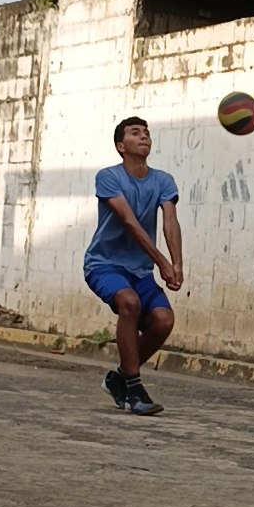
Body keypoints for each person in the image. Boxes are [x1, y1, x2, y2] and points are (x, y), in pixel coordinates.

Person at [84, 116, 184, 417]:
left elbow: (170, 221)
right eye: (135, 133)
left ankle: (118, 378)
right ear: (121, 146)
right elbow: (128, 222)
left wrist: (177, 262)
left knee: (163, 320)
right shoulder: (108, 177)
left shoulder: (163, 180)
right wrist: (162, 261)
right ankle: (135, 389)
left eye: (147, 133)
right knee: (129, 302)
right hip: (104, 265)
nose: (144, 137)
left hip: (139, 271)